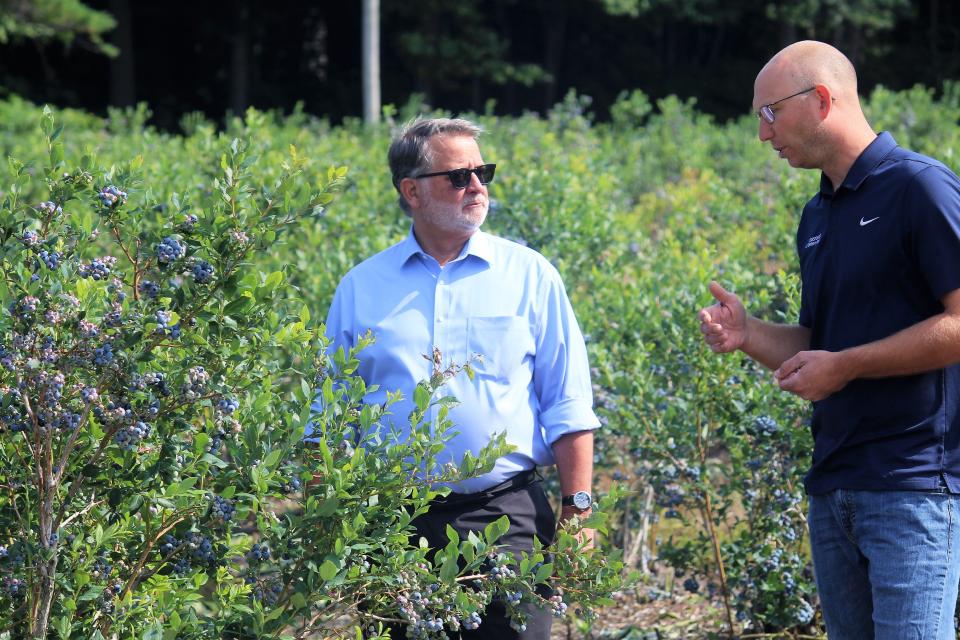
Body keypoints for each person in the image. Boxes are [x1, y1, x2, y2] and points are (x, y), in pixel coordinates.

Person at [698, 40, 960, 639]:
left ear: (820, 100)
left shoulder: (921, 188)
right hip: (834, 488)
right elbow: (819, 344)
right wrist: (748, 335)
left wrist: (846, 366)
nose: (764, 135)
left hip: (913, 488)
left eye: (770, 114)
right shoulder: (817, 215)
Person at [323, 117, 600, 639]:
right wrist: (334, 522)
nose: (477, 187)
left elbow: (568, 403)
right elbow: (333, 414)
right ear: (411, 191)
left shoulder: (529, 275)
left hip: (507, 519)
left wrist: (577, 514)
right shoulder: (361, 287)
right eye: (459, 176)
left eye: (483, 172)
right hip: (394, 527)